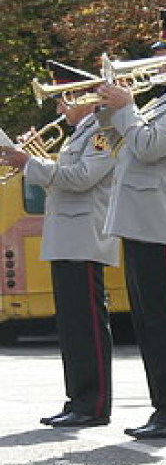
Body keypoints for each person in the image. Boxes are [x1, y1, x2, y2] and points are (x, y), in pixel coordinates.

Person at [94, 10, 166, 440]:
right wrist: (110, 105)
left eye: (165, 56)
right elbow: (121, 137)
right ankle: (163, 407)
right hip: (140, 219)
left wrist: (125, 109)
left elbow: (147, 145)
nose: (156, 64)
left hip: (161, 219)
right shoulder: (160, 101)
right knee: (147, 320)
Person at [1, 63, 119, 429]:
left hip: (84, 238)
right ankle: (78, 398)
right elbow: (61, 181)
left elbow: (82, 179)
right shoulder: (79, 135)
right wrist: (32, 158)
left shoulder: (104, 130)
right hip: (68, 237)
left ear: (83, 98)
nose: (58, 109)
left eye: (62, 99)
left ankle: (93, 403)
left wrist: (30, 161)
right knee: (71, 324)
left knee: (86, 324)